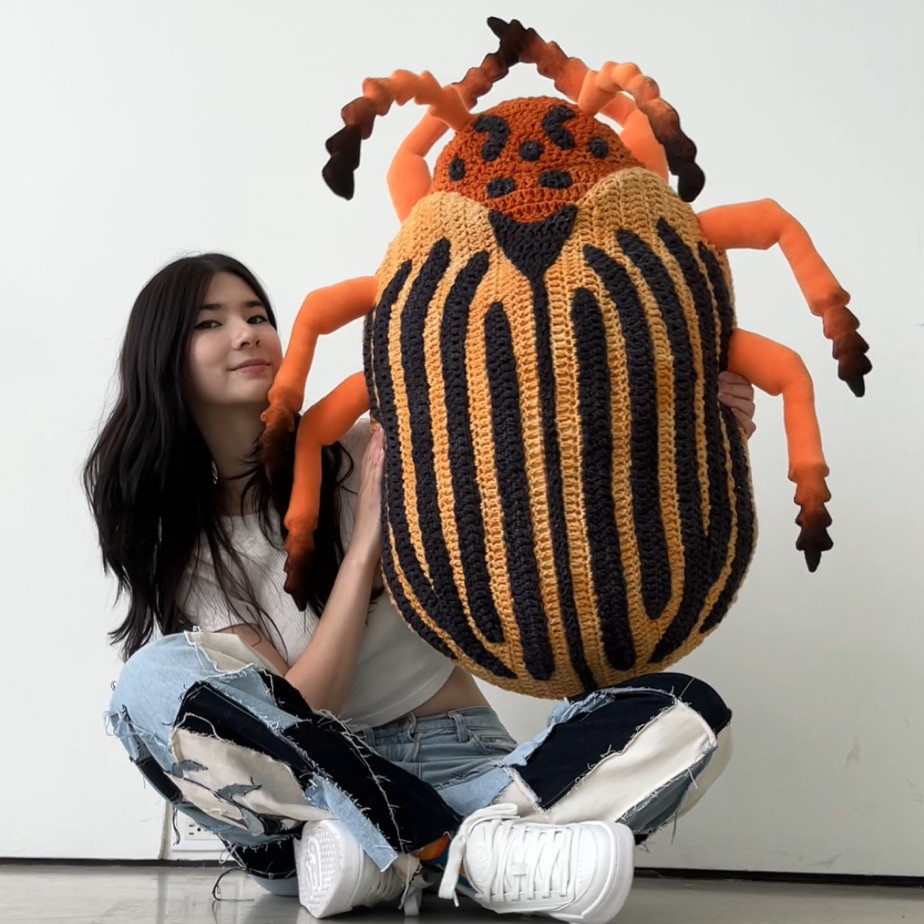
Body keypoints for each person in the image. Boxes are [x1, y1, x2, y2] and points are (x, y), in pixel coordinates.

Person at [87, 253, 757, 920]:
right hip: (309, 805)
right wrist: (364, 555)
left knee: (690, 716)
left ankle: (409, 857)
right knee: (149, 683)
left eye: (257, 315)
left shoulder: (369, 448)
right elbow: (298, 713)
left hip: (462, 760)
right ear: (165, 357)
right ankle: (476, 854)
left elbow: (547, 486)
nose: (248, 333)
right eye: (213, 322)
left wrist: (691, 435)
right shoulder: (185, 550)